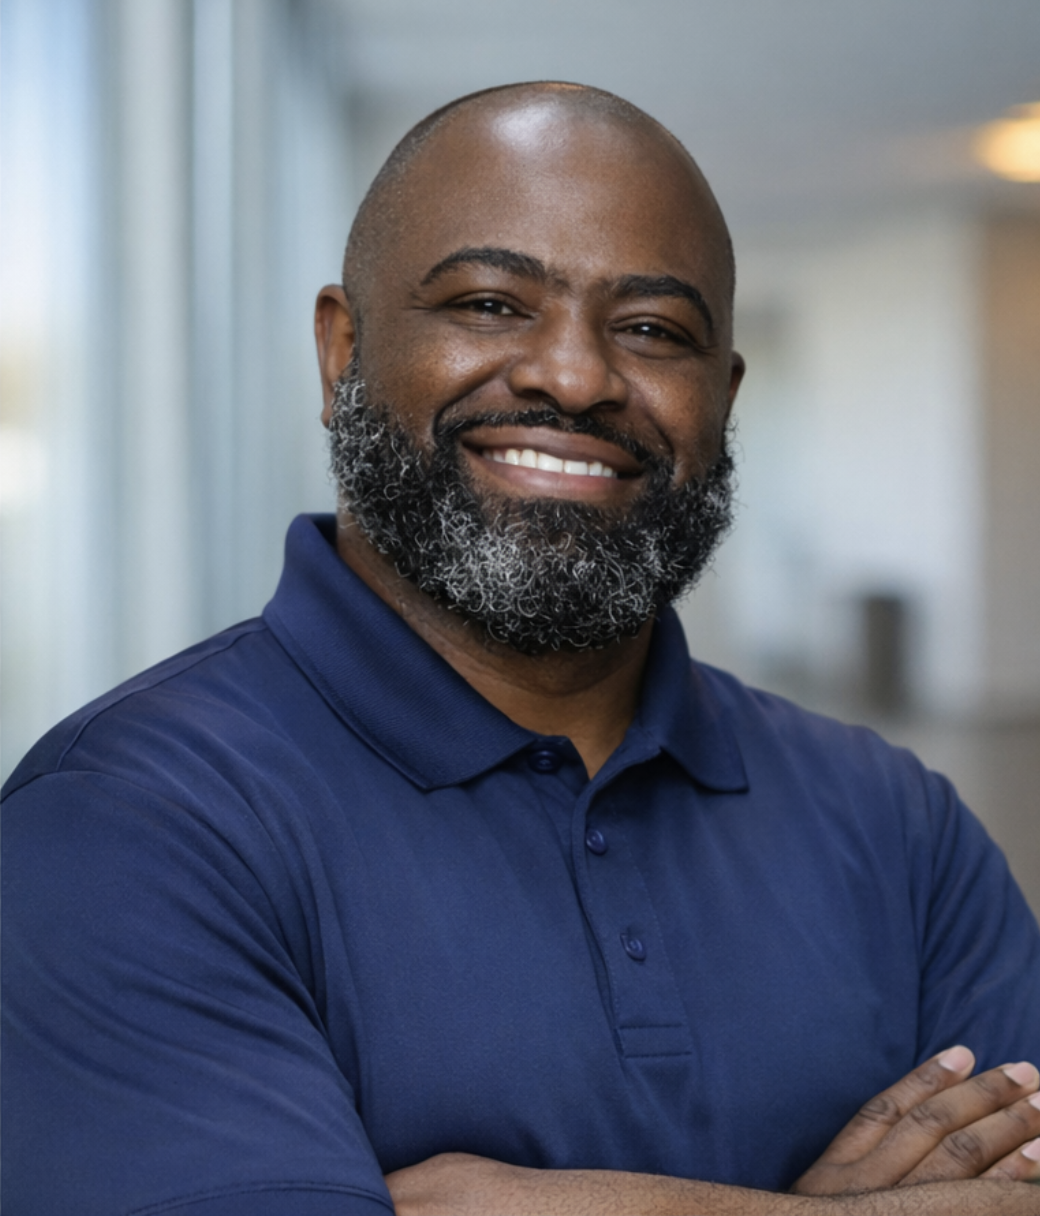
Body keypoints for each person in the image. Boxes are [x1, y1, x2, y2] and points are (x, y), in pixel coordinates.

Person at [4, 81, 1040, 1216]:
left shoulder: (896, 826)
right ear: (340, 350)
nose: (575, 376)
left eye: (652, 329)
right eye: (492, 303)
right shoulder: (123, 819)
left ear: (720, 397)